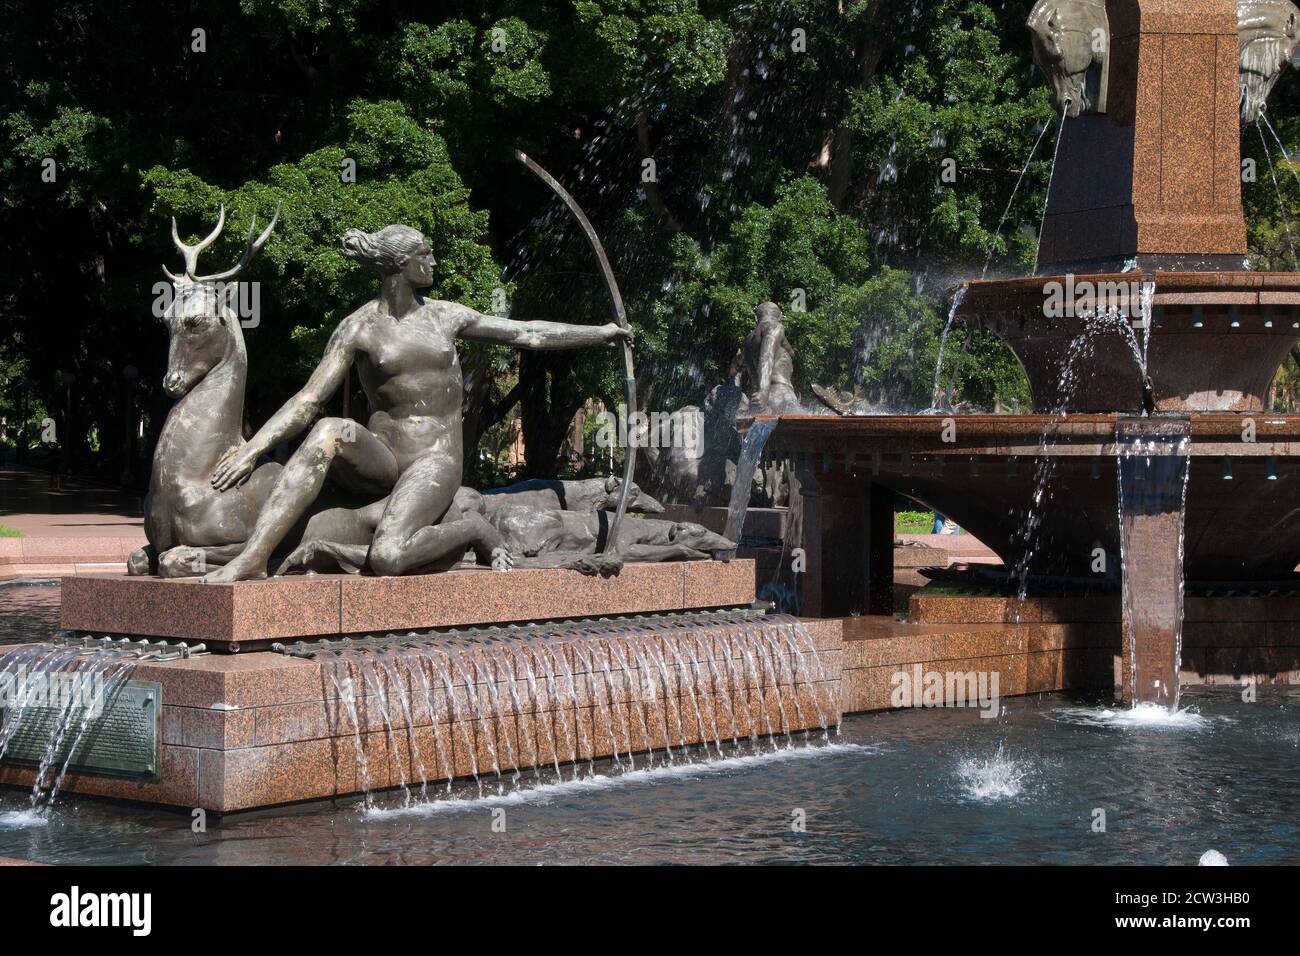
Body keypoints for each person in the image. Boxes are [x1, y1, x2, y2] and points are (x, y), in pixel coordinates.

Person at [201, 224, 630, 582]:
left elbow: (527, 334)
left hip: (434, 459)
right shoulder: (357, 328)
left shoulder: (445, 316)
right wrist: (252, 449)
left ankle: (472, 529)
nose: (434, 262)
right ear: (400, 266)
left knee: (387, 557)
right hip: (383, 458)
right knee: (330, 429)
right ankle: (253, 556)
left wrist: (601, 333)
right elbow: (309, 399)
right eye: (425, 255)